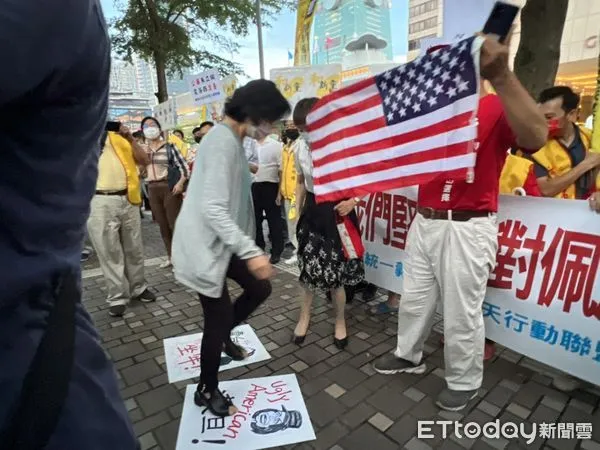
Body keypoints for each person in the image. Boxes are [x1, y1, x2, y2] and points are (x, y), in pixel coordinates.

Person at [373, 35, 548, 411]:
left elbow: (536, 136)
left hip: (468, 225)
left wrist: (502, 76)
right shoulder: (427, 115)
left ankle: (464, 381)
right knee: (415, 300)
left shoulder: (494, 106)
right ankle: (408, 354)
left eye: (449, 67)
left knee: (460, 311)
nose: (439, 77)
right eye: (432, 70)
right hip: (426, 221)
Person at [0, 1, 137, 449]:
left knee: (133, 252)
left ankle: (136, 287)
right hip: (98, 204)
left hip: (32, 358)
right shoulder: (105, 139)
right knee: (110, 255)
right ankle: (118, 296)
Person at [172, 80, 290, 417]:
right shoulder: (221, 142)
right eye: (269, 120)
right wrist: (252, 252)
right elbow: (213, 208)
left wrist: (247, 246)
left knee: (260, 288)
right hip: (206, 247)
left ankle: (224, 336)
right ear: (253, 113)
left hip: (224, 243)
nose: (270, 128)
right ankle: (206, 389)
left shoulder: (234, 141)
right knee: (217, 317)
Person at [292, 98, 365, 350]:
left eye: (308, 127)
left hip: (337, 211)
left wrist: (353, 201)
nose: (305, 133)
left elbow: (363, 177)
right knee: (308, 269)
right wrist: (295, 208)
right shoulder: (299, 147)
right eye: (300, 128)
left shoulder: (342, 145)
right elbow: (301, 180)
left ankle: (340, 321)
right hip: (312, 210)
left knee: (336, 275)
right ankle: (304, 316)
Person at [87, 123, 157, 317]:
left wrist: (131, 139)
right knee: (109, 251)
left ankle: (139, 288)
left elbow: (144, 160)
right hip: (99, 200)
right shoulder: (83, 134)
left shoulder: (121, 137)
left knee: (134, 248)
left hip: (129, 198)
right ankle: (117, 297)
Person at [141, 116, 189, 268]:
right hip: (152, 189)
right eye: (146, 126)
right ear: (142, 130)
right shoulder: (142, 150)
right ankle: (171, 257)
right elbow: (140, 172)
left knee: (175, 224)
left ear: (160, 128)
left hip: (169, 187)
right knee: (162, 225)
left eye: (153, 125)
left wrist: (180, 184)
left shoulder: (169, 146)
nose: (150, 128)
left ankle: (184, 259)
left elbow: (185, 168)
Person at [253, 133, 285, 264]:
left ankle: (277, 250)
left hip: (270, 186)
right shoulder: (249, 145)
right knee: (255, 220)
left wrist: (279, 192)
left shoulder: (275, 145)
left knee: (274, 220)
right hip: (253, 186)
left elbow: (281, 170)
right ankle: (259, 247)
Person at [279, 126, 301, 264]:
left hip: (296, 193)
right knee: (290, 224)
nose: (289, 128)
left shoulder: (300, 146)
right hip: (286, 192)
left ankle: (300, 252)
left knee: (297, 223)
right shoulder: (286, 146)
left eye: (293, 125)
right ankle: (296, 249)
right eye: (287, 126)